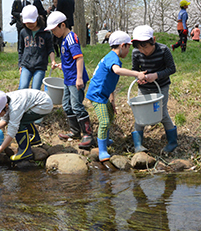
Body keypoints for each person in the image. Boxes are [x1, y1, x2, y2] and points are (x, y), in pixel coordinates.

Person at [85, 31, 146, 162]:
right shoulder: (113, 58)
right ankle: (102, 150)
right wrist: (137, 74)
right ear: (122, 46)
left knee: (110, 115)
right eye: (128, 47)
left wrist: (112, 99)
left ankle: (105, 140)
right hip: (97, 95)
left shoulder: (113, 57)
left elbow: (110, 79)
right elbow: (117, 71)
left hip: (104, 94)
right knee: (105, 121)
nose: (129, 51)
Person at [46, 11, 95, 149]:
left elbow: (79, 58)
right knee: (67, 106)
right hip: (68, 79)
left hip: (75, 80)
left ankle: (88, 135)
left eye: (54, 29)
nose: (53, 32)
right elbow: (70, 59)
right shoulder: (63, 39)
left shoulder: (71, 39)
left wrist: (79, 78)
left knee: (77, 106)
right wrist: (62, 65)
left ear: (62, 25)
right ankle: (75, 131)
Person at [132, 25, 178, 153]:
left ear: (153, 40)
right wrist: (138, 77)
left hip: (161, 86)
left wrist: (156, 75)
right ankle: (138, 145)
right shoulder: (136, 52)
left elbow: (171, 69)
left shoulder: (163, 50)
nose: (143, 51)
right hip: (144, 87)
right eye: (139, 47)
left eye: (145, 47)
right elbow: (135, 70)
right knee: (140, 114)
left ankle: (172, 142)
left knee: (162, 113)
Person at [0, 89, 53, 162]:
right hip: (37, 101)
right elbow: (5, 120)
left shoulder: (15, 108)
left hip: (44, 104)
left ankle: (25, 152)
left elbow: (11, 133)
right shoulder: (2, 100)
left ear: (6, 106)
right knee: (22, 118)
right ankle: (34, 138)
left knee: (20, 122)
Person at [18, 5, 55, 90]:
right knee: (23, 87)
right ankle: (22, 103)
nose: (30, 25)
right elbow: (20, 50)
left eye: (32, 22)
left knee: (35, 89)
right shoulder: (23, 32)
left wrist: (53, 61)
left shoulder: (46, 33)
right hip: (26, 65)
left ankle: (34, 103)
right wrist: (20, 65)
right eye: (27, 23)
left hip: (40, 66)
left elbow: (50, 49)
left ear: (37, 19)